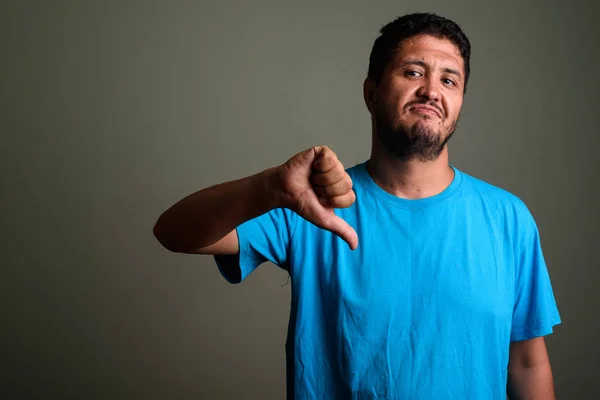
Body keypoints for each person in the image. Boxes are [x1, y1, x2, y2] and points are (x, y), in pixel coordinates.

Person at [153, 12, 561, 399]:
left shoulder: (508, 219)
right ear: (371, 93)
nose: (432, 91)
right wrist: (268, 186)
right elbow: (173, 232)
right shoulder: (307, 203)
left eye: (450, 80)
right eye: (413, 72)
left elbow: (527, 363)